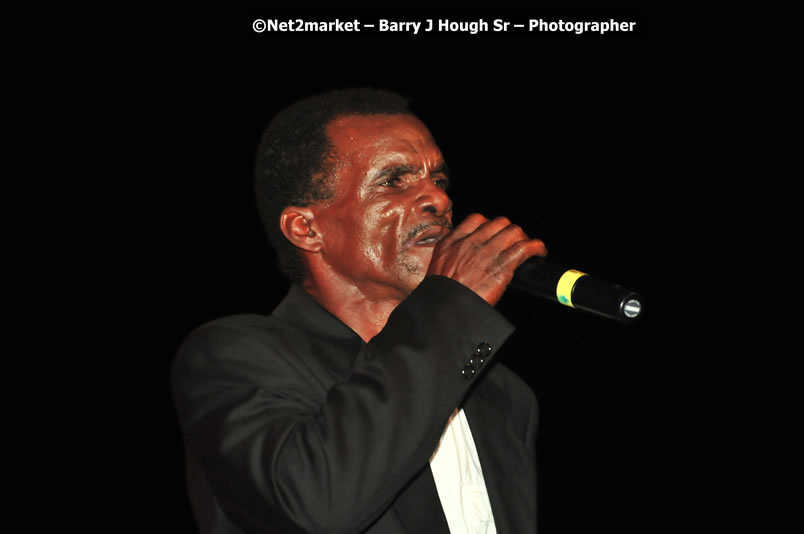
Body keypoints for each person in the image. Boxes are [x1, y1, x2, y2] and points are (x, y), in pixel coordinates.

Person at [171, 88, 547, 534]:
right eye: (394, 181)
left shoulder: (502, 395)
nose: (438, 199)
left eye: (439, 180)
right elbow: (317, 503)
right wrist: (453, 307)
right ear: (306, 229)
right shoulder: (234, 356)